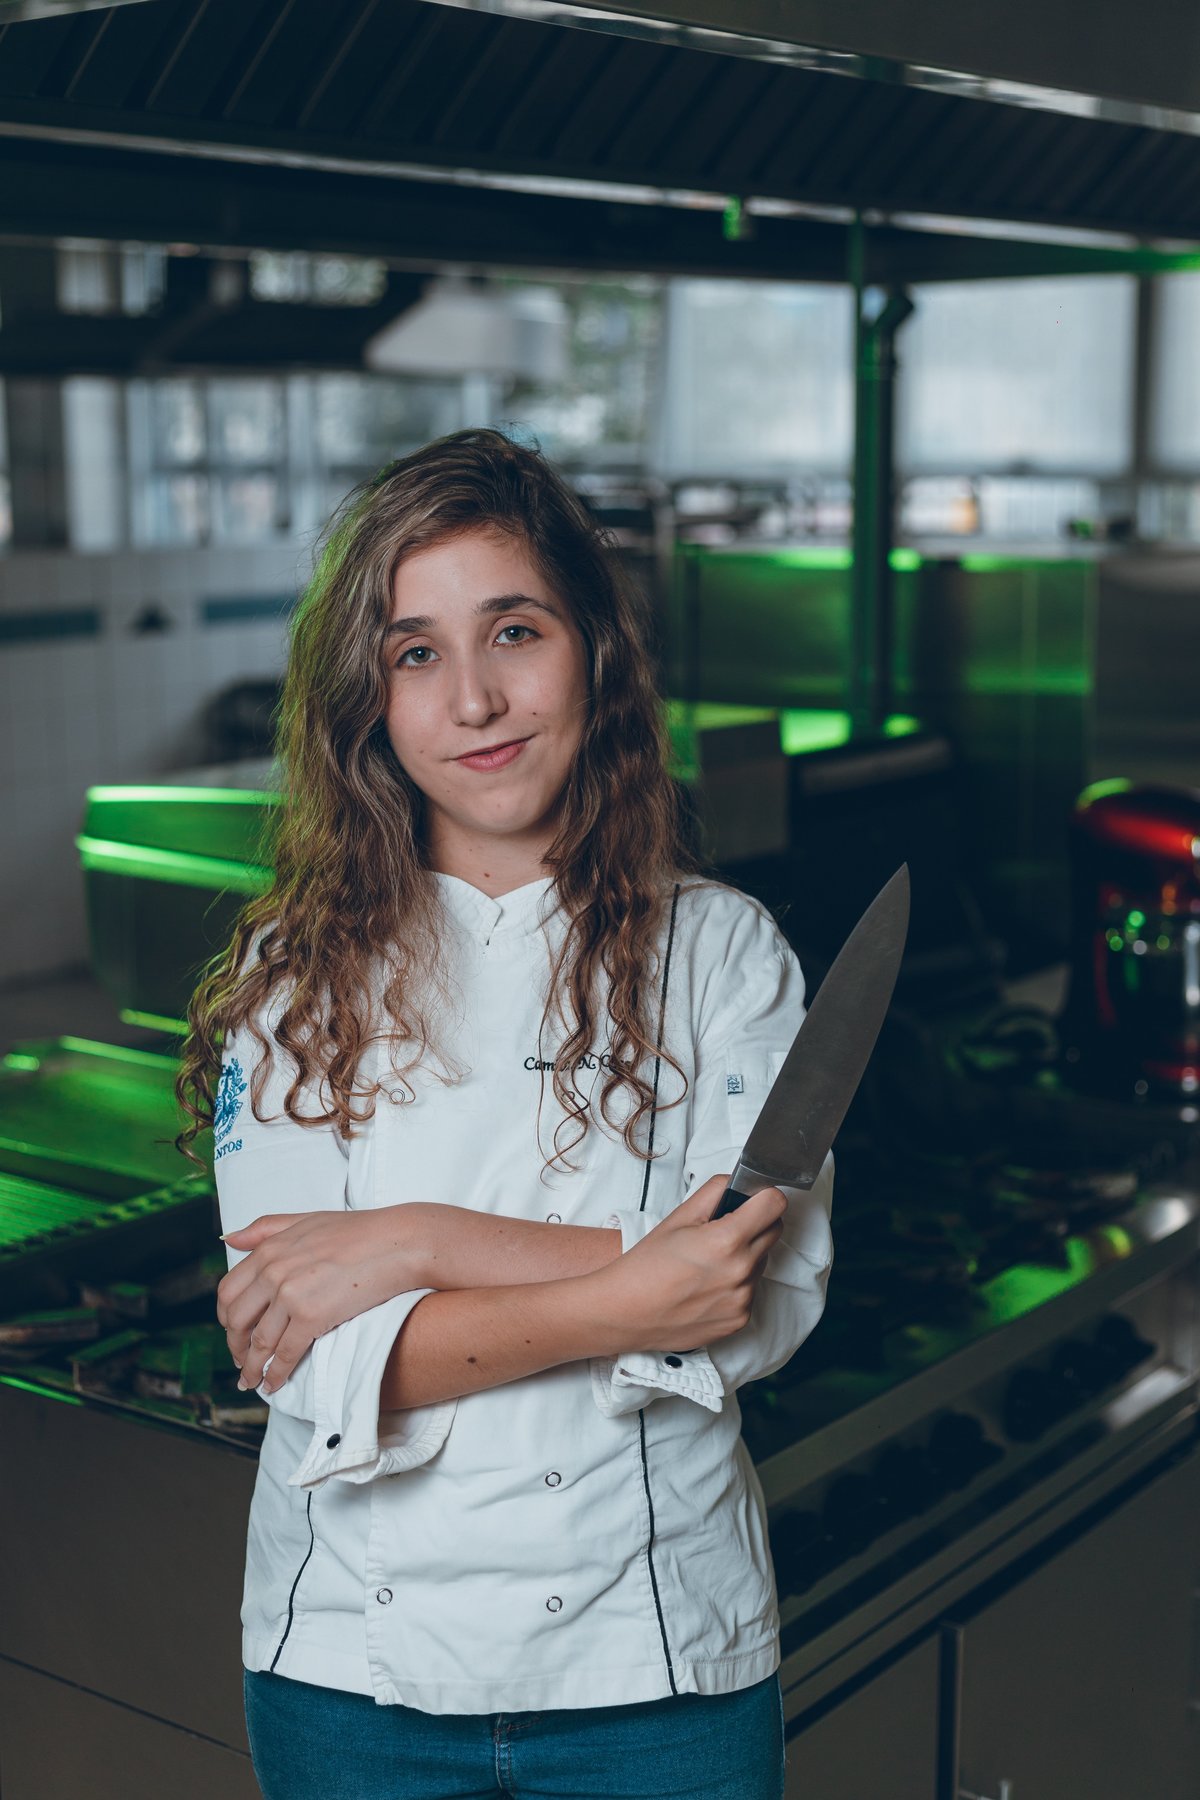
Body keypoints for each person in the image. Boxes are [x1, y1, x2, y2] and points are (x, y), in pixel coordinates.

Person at [177, 427, 834, 1800]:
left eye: (514, 632)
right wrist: (638, 1286)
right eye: (417, 653)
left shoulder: (726, 955)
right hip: (355, 1665)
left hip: (658, 1662)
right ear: (371, 699)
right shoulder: (291, 978)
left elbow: (754, 1304)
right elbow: (309, 1364)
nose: (474, 700)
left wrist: (412, 1242)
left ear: (593, 647)